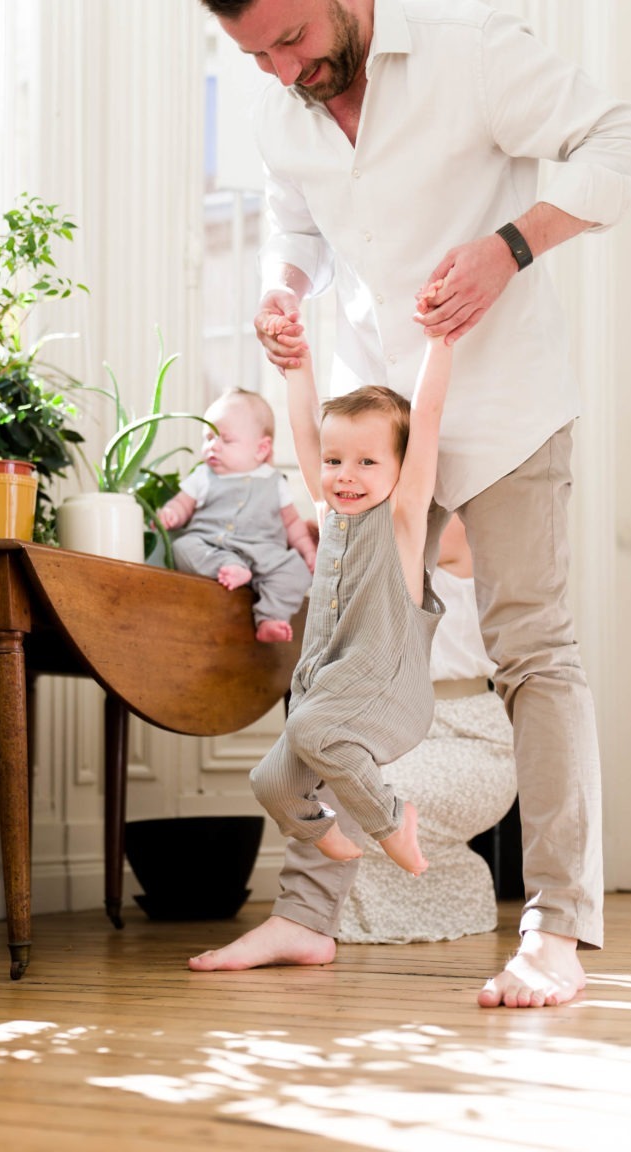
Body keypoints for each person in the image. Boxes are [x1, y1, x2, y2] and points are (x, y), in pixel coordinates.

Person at [190, 0, 631, 1007]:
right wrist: (282, 287)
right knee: (344, 653)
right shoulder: (283, 109)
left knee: (534, 648)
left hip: (506, 403)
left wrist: (510, 247)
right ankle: (308, 920)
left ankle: (556, 932)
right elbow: (300, 227)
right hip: (379, 421)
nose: (277, 70)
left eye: (289, 40)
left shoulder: (471, 52)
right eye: (252, 54)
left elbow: (624, 138)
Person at [249, 312, 452, 875]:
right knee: (269, 782)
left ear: (398, 468)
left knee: (307, 727)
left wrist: (440, 343)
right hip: (330, 686)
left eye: (367, 462)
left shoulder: (403, 521)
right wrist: (298, 366)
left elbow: (427, 422)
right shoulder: (329, 513)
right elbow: (305, 433)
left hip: (388, 689)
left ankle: (393, 823)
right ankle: (326, 834)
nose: (345, 475)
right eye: (336, 462)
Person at [339, 514, 518, 945]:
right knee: (316, 788)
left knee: (366, 797)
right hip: (395, 727)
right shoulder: (367, 525)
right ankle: (341, 919)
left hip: (467, 732)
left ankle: (454, 897)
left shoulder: (449, 524)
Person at [159, 386, 316, 642]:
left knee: (296, 570)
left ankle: (271, 618)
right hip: (213, 546)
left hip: (264, 552)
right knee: (183, 546)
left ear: (261, 449)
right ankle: (228, 567)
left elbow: (293, 523)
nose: (213, 446)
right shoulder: (203, 476)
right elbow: (182, 503)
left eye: (226, 439)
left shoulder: (274, 481)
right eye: (207, 438)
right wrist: (171, 514)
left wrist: (309, 552)